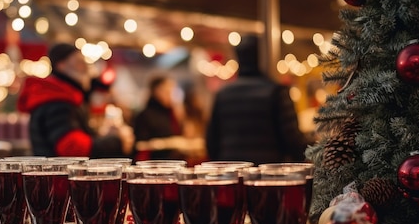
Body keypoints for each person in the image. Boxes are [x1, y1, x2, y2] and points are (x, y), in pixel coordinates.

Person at [205, 35, 310, 165]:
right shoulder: (276, 92)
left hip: (232, 176)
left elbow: (211, 142)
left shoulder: (223, 95)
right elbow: (293, 142)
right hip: (267, 176)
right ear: (264, 57)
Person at [17, 42, 134, 158]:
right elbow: (72, 148)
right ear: (61, 65)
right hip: (59, 175)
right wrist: (116, 141)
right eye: (80, 62)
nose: (86, 67)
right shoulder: (56, 98)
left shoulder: (62, 95)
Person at [132, 74, 185, 161]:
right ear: (157, 91)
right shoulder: (145, 115)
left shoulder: (171, 113)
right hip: (153, 164)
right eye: (168, 92)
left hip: (171, 162)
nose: (172, 96)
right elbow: (139, 144)